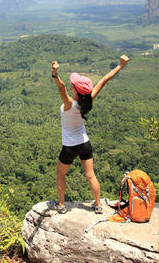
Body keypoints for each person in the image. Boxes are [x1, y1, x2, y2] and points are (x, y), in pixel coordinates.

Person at [51, 55, 129, 214]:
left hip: (70, 147)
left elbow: (61, 87)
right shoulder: (88, 100)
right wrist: (121, 65)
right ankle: (98, 204)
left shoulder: (69, 104)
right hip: (85, 144)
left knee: (60, 174)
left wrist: (54, 73)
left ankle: (61, 205)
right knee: (90, 175)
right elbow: (105, 79)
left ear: (74, 89)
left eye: (73, 85)